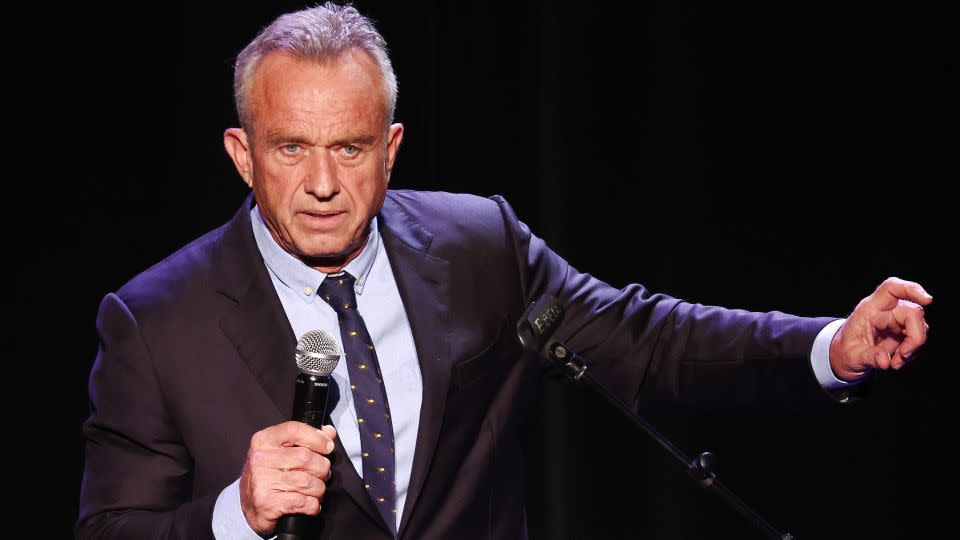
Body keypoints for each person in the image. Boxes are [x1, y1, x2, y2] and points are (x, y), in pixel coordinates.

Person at [76, 3, 932, 539]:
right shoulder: (157, 321)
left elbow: (649, 339)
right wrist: (237, 515)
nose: (325, 183)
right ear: (242, 154)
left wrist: (829, 347)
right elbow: (113, 528)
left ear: (392, 148)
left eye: (351, 146)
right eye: (291, 148)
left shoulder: (478, 245)